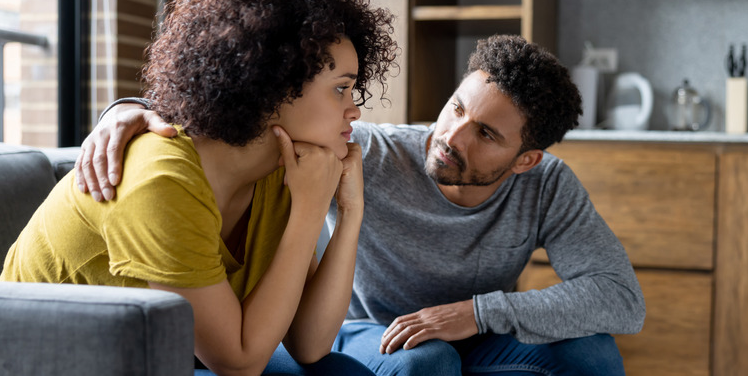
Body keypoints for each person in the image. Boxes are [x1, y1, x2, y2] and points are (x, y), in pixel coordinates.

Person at [74, 35, 646, 376]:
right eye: (455, 109)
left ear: (526, 159)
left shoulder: (548, 186)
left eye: (487, 136)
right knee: (427, 363)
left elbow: (620, 298)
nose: (452, 136)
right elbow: (242, 112)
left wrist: (473, 314)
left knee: (593, 354)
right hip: (362, 332)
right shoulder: (369, 151)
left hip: (474, 334)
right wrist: (128, 109)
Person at [0, 0, 398, 375]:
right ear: (271, 85)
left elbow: (309, 344)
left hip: (167, 357)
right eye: (340, 87)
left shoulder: (280, 169)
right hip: (56, 362)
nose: (355, 108)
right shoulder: (161, 177)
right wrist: (307, 211)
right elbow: (239, 363)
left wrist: (350, 210)